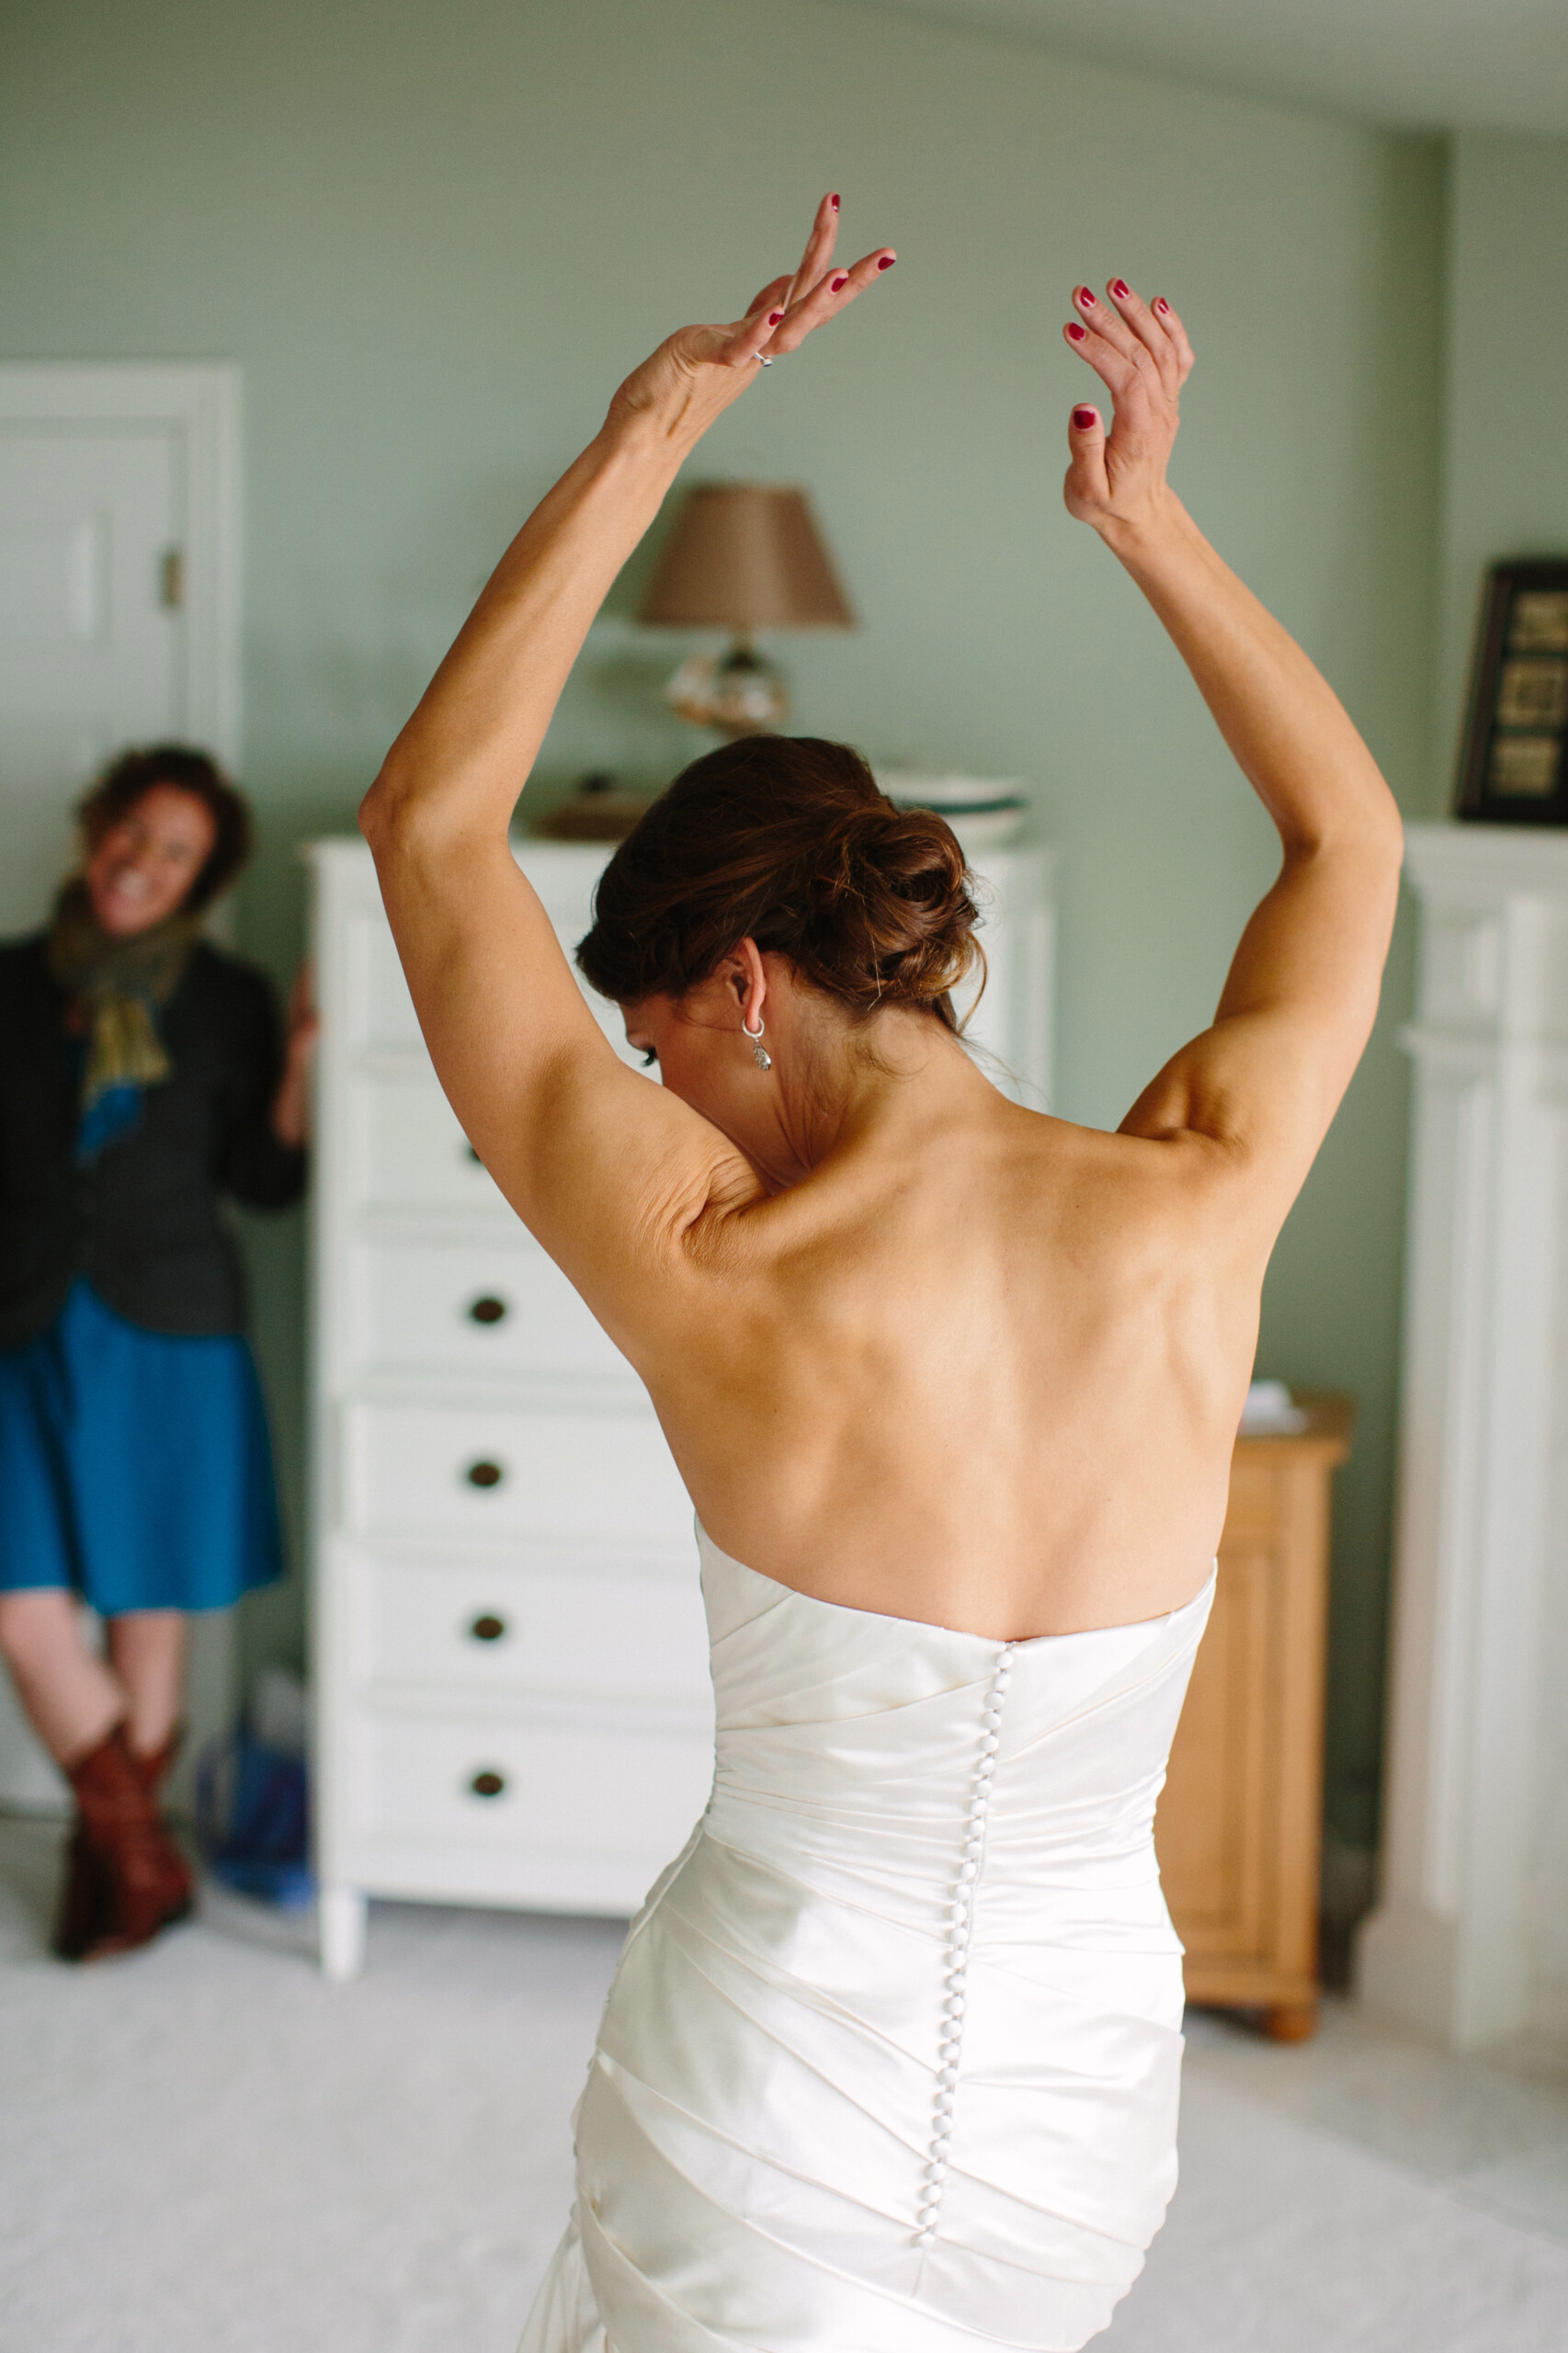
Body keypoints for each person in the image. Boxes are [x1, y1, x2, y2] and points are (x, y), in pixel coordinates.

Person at [360, 198, 1402, 2353]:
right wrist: (1146, 521)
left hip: (764, 2113)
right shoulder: (1198, 1194)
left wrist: (653, 420)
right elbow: (1350, 845)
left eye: (659, 1049)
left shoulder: (709, 1262)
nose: (669, 1099)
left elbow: (431, 831)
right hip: (1079, 2111)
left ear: (741, 981)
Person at [0, 745, 313, 1962]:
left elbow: (267, 1184)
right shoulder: (13, 985)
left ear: (204, 877)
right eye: (133, 834)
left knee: (149, 1605)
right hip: (20, 1323)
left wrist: (296, 1065)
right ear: (97, 835)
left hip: (172, 1329)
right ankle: (145, 1858)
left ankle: (112, 1876)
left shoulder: (227, 1002)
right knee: (23, 1609)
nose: (143, 863)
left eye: (175, 851)